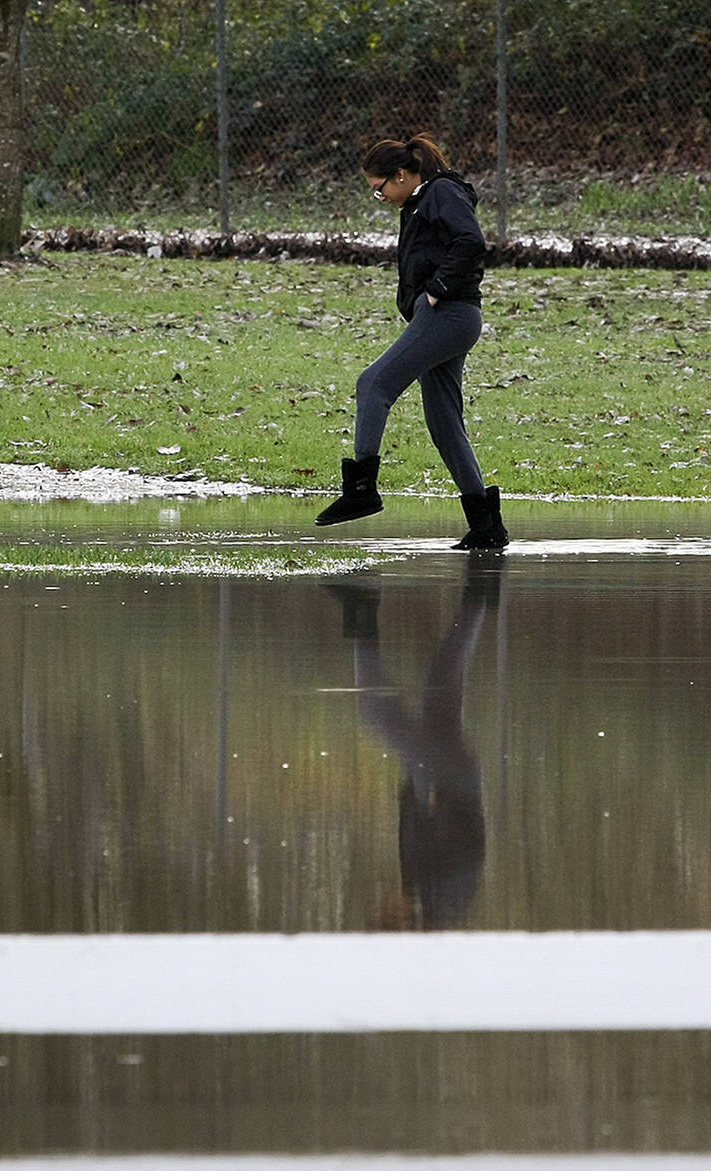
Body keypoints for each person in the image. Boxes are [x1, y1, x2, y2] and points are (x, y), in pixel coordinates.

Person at [315, 134, 508, 551]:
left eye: (379, 186)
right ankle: (486, 525)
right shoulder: (421, 200)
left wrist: (436, 290)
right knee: (444, 422)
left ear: (400, 175)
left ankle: (361, 490)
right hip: (444, 318)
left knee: (374, 384)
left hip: (448, 315)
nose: (378, 194)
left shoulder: (441, 192)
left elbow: (470, 241)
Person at [327, 560, 499, 929]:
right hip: (449, 782)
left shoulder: (426, 891)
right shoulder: (440, 895)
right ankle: (362, 612)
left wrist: (416, 793)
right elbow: (453, 832)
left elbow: (413, 816)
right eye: (388, 912)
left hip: (450, 779)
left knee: (444, 680)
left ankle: (479, 597)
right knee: (376, 711)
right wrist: (423, 791)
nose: (388, 902)